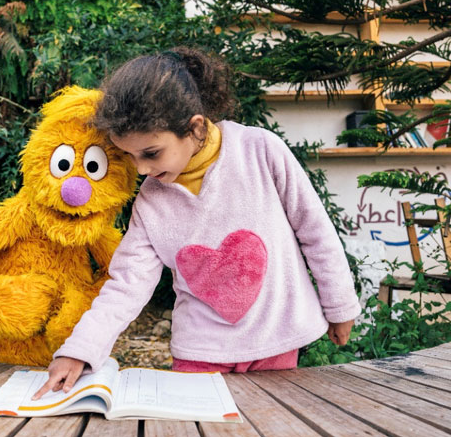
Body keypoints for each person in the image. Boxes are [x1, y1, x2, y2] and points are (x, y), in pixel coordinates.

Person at [32, 46, 360, 399]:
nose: (141, 169)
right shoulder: (151, 200)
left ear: (195, 128)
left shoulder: (261, 150)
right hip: (198, 354)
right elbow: (127, 283)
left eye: (151, 153)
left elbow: (315, 231)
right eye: (130, 156)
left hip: (275, 340)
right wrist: (77, 350)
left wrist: (339, 306)